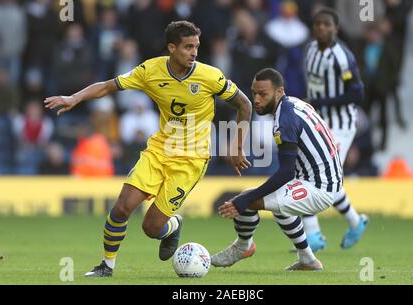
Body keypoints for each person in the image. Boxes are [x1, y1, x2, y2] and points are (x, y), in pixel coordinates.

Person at [44, 21, 252, 277]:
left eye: (196, 46)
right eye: (188, 47)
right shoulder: (150, 70)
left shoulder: (210, 76)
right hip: (159, 150)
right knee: (122, 207)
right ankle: (106, 266)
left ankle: (172, 226)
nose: (194, 52)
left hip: (191, 160)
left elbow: (245, 104)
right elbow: (109, 86)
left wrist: (237, 146)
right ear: (172, 48)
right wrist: (74, 98)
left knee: (151, 227)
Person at [212, 68, 342, 271]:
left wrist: (245, 200)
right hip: (323, 179)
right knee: (278, 202)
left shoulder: (285, 119)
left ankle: (243, 246)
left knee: (247, 199)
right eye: (254, 93)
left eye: (263, 94)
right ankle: (308, 260)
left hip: (319, 187)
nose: (256, 99)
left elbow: (286, 173)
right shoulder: (295, 103)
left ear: (279, 91)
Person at [302, 9, 368, 251]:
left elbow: (357, 93)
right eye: (317, 24)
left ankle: (314, 235)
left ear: (335, 28)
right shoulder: (310, 50)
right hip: (320, 121)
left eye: (326, 24)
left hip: (340, 125)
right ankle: (355, 221)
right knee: (314, 173)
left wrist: (321, 103)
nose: (321, 28)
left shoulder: (342, 57)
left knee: (316, 175)